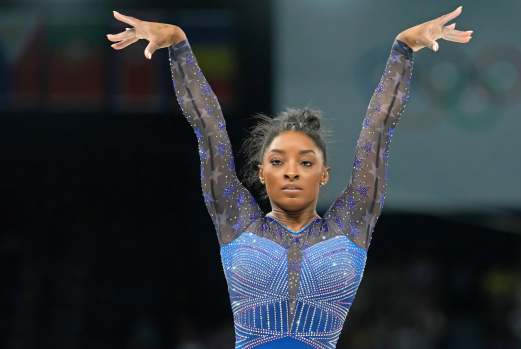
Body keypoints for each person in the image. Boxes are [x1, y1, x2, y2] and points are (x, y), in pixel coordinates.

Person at [107, 7, 473, 348]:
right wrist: (178, 44)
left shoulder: (351, 224)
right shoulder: (237, 223)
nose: (292, 171)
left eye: (306, 162)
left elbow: (377, 134)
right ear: (261, 174)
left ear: (324, 174)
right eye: (278, 162)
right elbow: (208, 129)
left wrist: (403, 50)